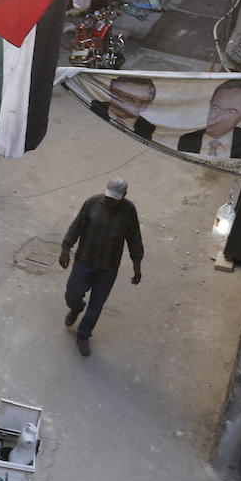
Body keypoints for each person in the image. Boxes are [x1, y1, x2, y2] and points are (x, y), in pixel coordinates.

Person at [59, 177, 144, 357]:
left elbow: (134, 238)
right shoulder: (92, 203)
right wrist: (66, 248)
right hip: (84, 260)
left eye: (115, 198)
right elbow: (76, 226)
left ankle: (83, 335)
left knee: (96, 305)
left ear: (124, 196)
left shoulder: (129, 211)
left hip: (108, 267)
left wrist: (137, 264)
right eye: (109, 197)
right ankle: (75, 308)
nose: (110, 201)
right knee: (72, 294)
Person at [178, 78, 241, 159]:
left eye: (231, 112)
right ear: (210, 104)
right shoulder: (187, 139)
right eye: (216, 108)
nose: (218, 119)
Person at [89, 76, 157, 140]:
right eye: (115, 94)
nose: (118, 102)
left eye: (128, 99)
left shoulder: (148, 129)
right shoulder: (91, 107)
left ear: (144, 105)